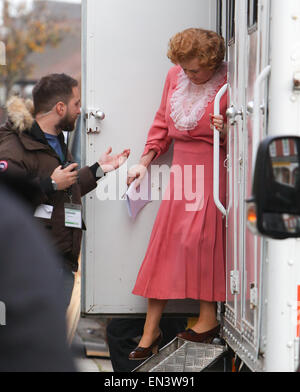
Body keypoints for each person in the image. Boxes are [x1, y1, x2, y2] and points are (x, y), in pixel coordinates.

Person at [127, 28, 227, 360]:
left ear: (212, 63)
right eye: (184, 68)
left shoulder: (229, 83)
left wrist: (227, 131)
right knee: (164, 246)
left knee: (199, 241)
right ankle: (149, 329)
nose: (188, 74)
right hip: (182, 172)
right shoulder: (175, 75)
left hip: (213, 171)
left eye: (195, 69)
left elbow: (249, 131)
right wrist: (144, 162)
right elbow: (160, 124)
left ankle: (208, 317)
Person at [0, 73, 130, 309]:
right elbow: (6, 199)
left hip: (60, 262)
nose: (80, 110)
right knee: (38, 342)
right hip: (32, 266)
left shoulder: (56, 139)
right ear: (60, 107)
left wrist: (100, 170)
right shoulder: (14, 146)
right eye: (76, 104)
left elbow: (66, 186)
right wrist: (49, 184)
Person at [0, 170, 76, 372]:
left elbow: (70, 192)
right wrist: (50, 183)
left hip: (58, 258)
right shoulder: (11, 218)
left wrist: (97, 170)